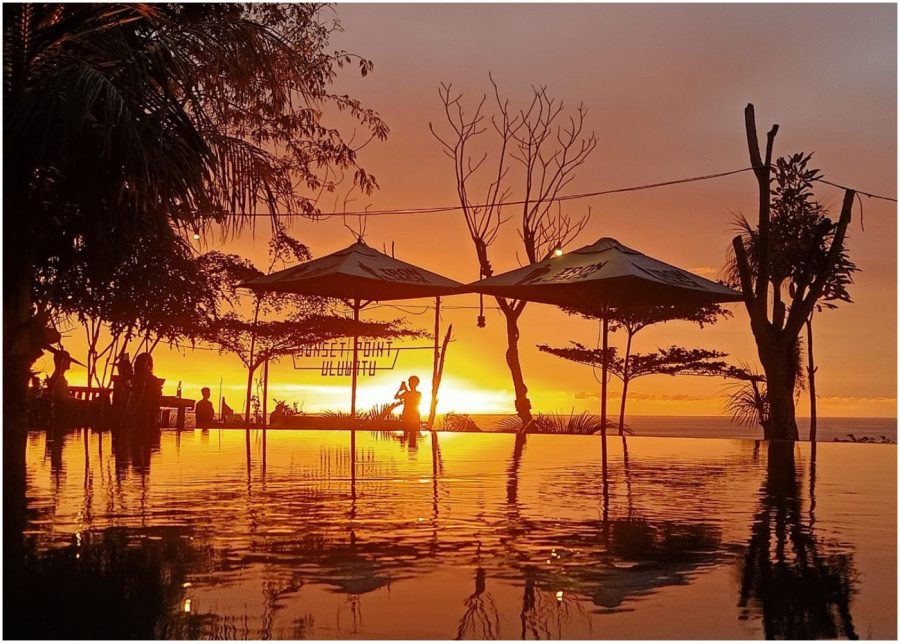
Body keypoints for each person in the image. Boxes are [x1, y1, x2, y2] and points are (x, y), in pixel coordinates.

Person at [125, 352, 163, 432]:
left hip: (145, 417)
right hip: (143, 418)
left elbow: (155, 402)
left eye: (137, 363)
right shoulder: (134, 380)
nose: (135, 366)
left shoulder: (141, 381)